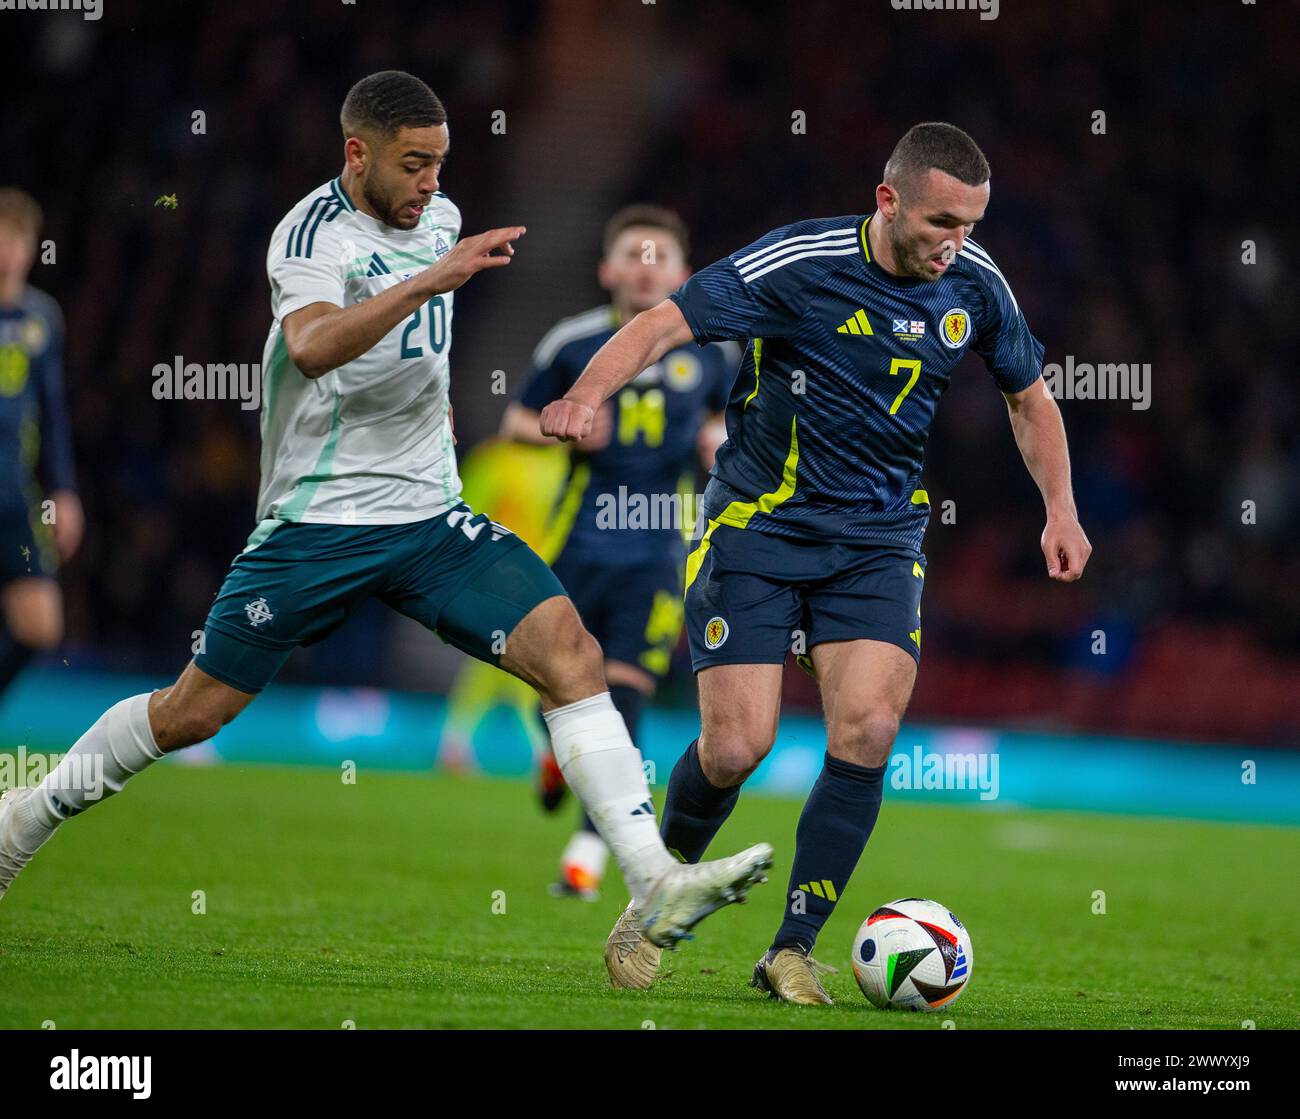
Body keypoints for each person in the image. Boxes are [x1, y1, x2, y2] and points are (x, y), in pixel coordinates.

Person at [0, 71, 772, 957]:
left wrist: (433, 401)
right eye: (413, 165)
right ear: (356, 154)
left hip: (428, 517)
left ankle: (650, 881)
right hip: (317, 522)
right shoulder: (310, 234)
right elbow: (313, 345)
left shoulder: (437, 219)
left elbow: (418, 350)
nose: (431, 186)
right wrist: (430, 282)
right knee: (191, 713)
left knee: (571, 649)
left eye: (440, 165)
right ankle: (23, 820)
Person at [539, 122, 1091, 1000]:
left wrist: (1059, 509)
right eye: (942, 221)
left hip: (877, 541)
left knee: (868, 729)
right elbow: (665, 322)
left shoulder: (977, 285)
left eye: (973, 226)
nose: (958, 244)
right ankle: (653, 895)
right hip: (758, 529)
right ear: (888, 199)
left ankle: (792, 946)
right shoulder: (798, 262)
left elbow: (1030, 398)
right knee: (736, 744)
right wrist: (583, 393)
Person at [501, 204, 736, 900]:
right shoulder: (572, 343)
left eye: (659, 255)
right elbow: (515, 419)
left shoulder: (712, 351)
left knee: (626, 690)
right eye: (632, 253)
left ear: (683, 273)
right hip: (578, 540)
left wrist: (717, 443)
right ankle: (555, 759)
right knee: (559, 687)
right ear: (607, 269)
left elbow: (726, 423)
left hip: (660, 551)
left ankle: (586, 850)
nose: (645, 265)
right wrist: (561, 430)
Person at [0, 189, 83, 701]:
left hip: (13, 499)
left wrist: (64, 490)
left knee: (40, 626)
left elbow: (53, 414)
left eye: (18, 238)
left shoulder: (41, 318)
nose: (9, 250)